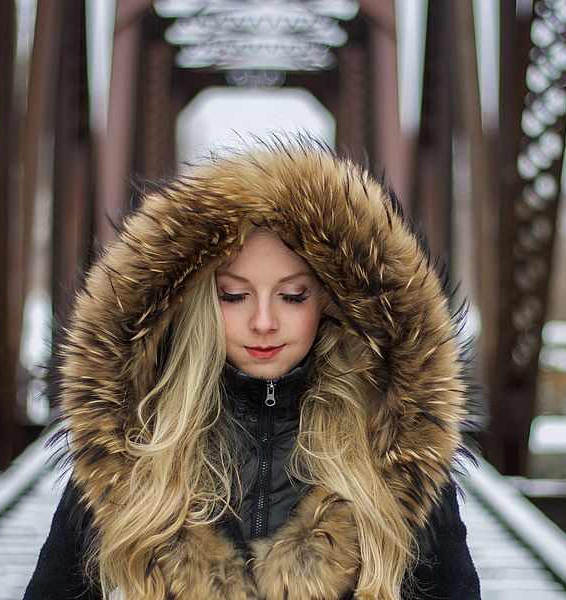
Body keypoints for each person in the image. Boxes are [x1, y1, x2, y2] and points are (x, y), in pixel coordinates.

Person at [25, 137, 481, 600]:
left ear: (328, 302)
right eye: (234, 295)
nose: (263, 322)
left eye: (293, 295)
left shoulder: (396, 458)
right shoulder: (127, 451)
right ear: (199, 302)